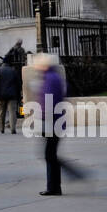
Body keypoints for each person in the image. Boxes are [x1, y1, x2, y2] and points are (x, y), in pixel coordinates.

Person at [33, 53, 86, 196]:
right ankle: (56, 185)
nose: (35, 67)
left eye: (37, 64)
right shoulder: (53, 77)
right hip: (55, 121)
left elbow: (49, 101)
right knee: (50, 155)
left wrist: (43, 117)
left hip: (52, 122)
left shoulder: (50, 78)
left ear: (44, 65)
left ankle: (58, 185)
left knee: (49, 155)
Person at [0, 57, 21, 134]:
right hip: (12, 95)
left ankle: (1, 128)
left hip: (1, 95)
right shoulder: (13, 71)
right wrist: (18, 94)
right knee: (12, 112)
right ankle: (13, 128)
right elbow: (18, 84)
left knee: (2, 112)